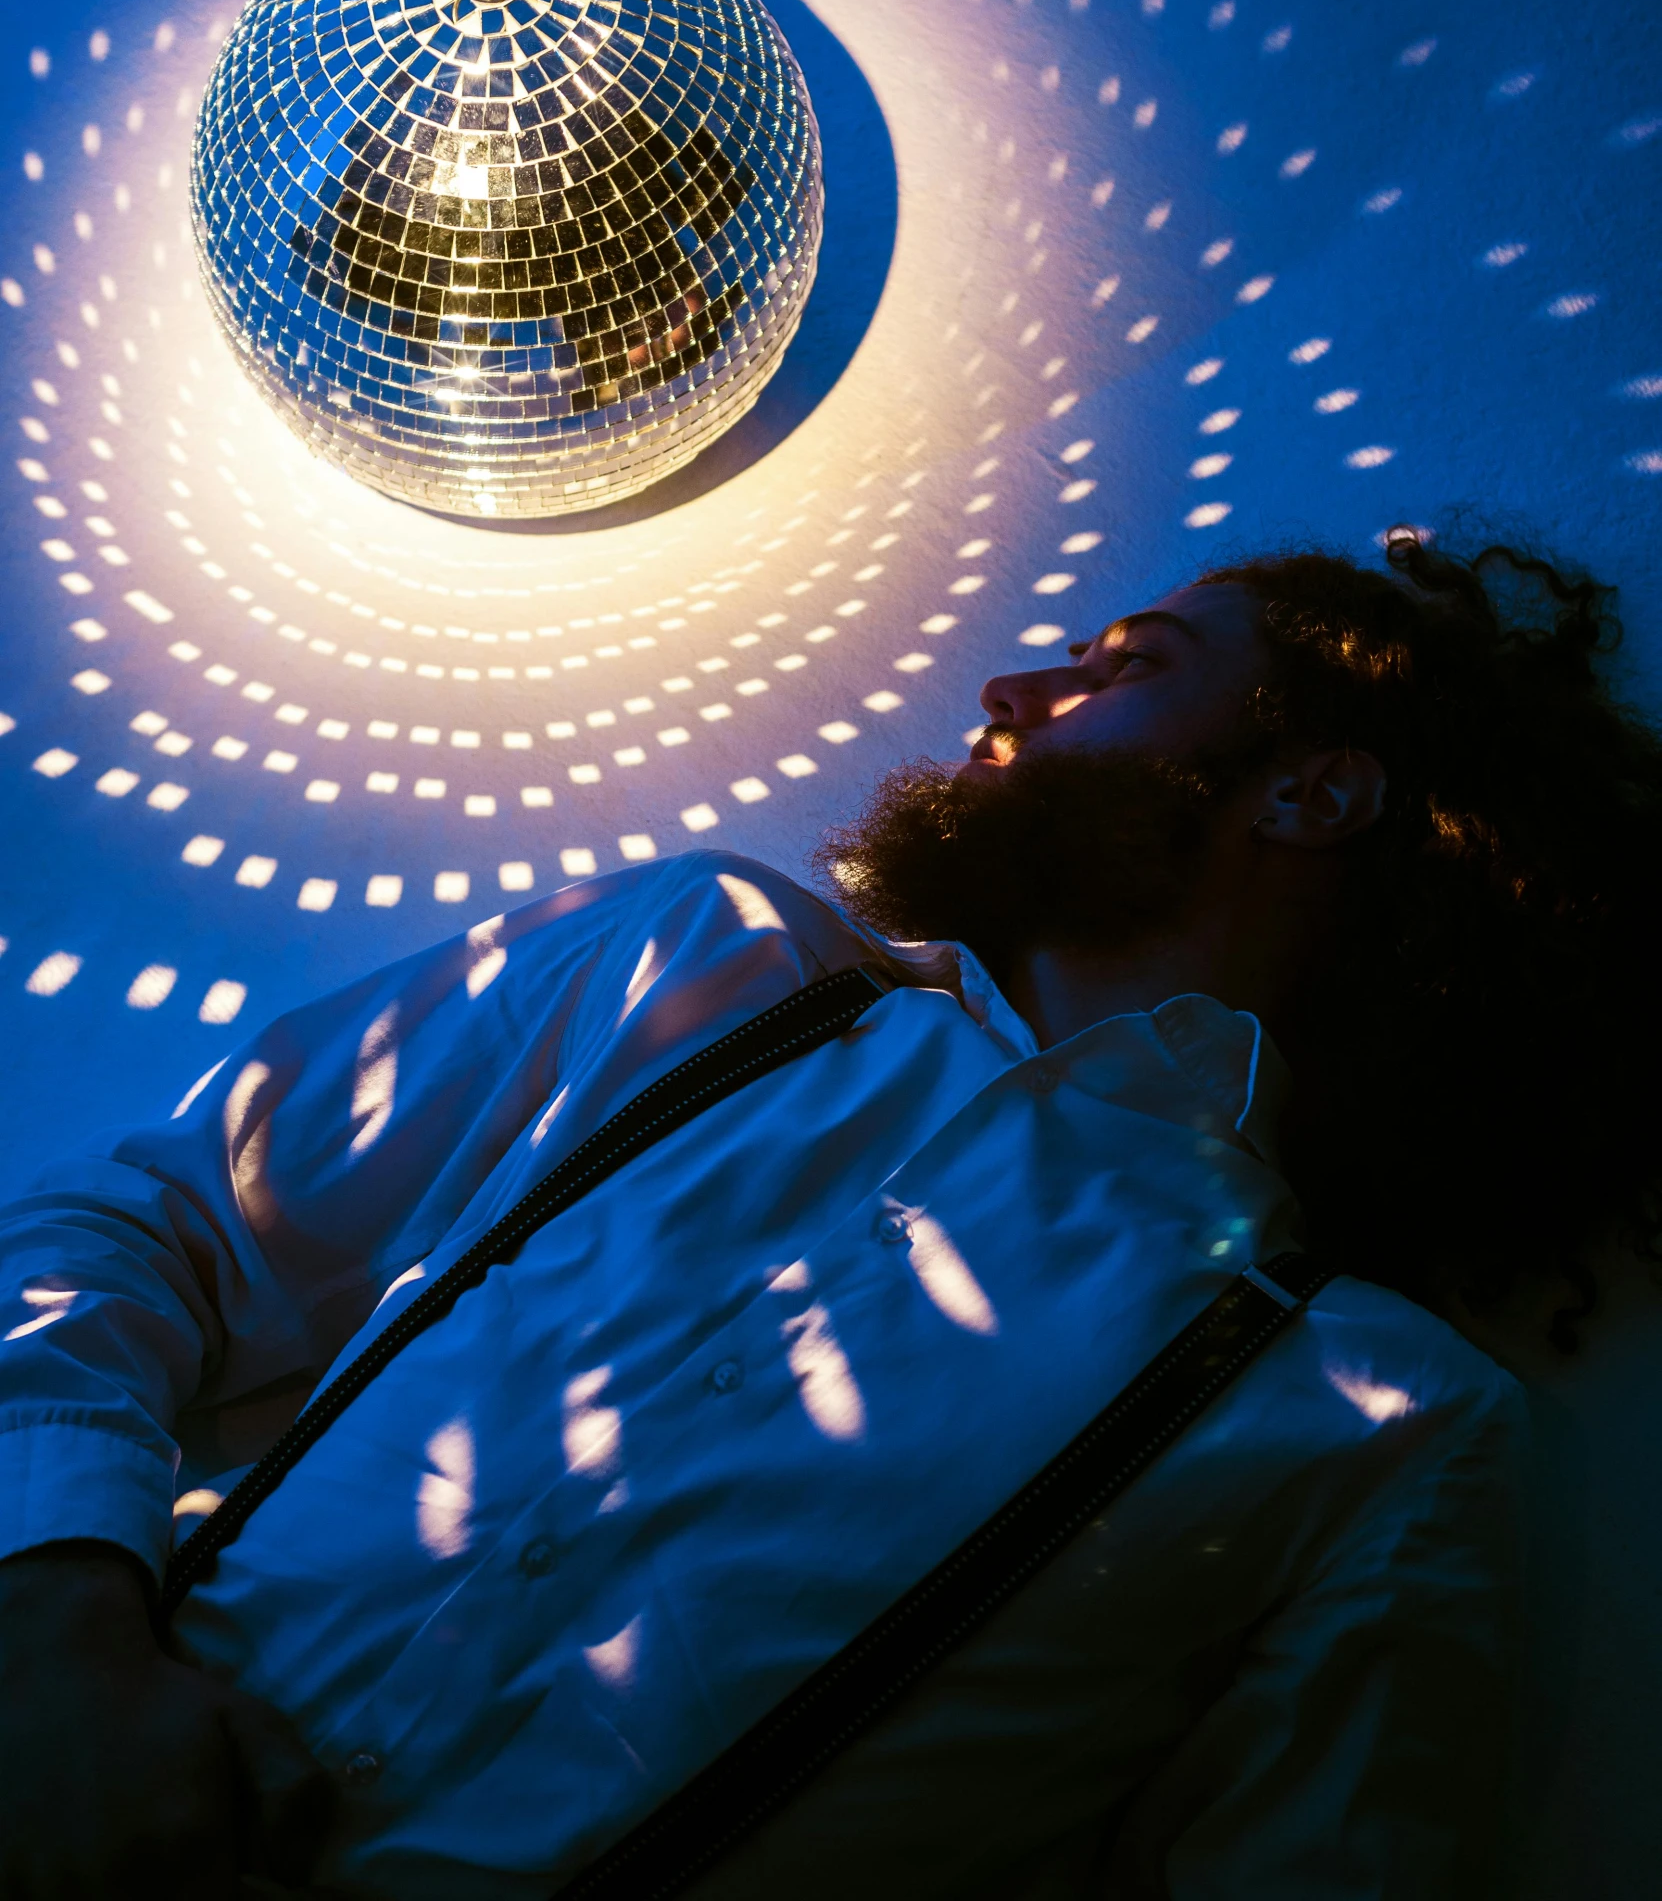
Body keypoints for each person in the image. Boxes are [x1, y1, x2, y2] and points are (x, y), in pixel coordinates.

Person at [1, 531, 1656, 1901]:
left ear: (1311, 795)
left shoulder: (1382, 1415)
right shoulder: (701, 954)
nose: (1012, 688)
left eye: (1127, 662)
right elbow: (143, 1222)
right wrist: (57, 1631)